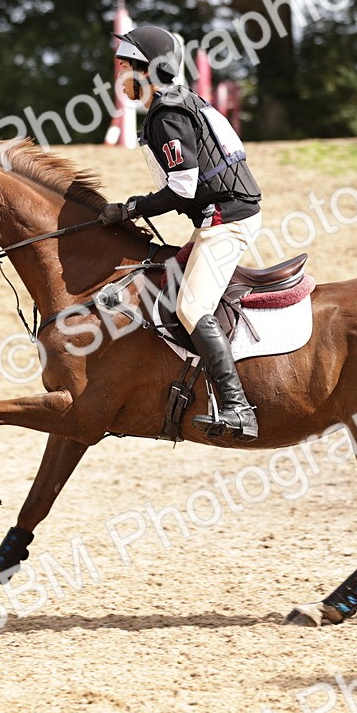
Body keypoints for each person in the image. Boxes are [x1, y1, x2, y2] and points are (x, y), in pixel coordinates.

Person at [100, 25, 264, 441]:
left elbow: (183, 187)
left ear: (144, 69)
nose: (118, 77)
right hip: (217, 218)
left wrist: (130, 207)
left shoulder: (168, 114)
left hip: (227, 221)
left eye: (123, 68)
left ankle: (237, 408)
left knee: (191, 307)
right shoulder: (173, 103)